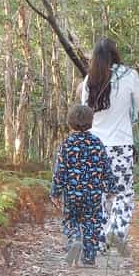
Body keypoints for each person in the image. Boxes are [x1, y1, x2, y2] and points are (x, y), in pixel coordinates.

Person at [79, 38, 139, 256]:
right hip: (120, 145)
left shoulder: (90, 80)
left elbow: (83, 113)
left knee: (98, 194)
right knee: (123, 194)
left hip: (93, 146)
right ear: (115, 54)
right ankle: (115, 233)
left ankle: (99, 238)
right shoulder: (129, 75)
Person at [51, 104, 116, 267]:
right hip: (93, 194)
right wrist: (110, 189)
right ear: (91, 122)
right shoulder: (97, 143)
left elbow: (60, 171)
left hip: (72, 193)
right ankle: (89, 257)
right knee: (92, 223)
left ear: (70, 122)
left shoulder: (67, 144)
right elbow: (106, 167)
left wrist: (55, 192)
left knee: (71, 220)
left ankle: (74, 240)